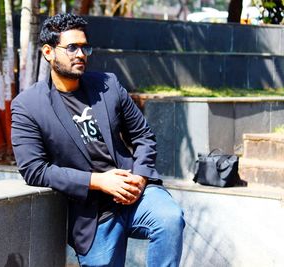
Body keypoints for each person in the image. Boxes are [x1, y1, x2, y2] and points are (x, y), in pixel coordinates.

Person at [11, 13, 185, 267]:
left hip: (135, 194)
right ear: (48, 52)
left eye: (84, 47)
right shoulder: (28, 106)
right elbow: (34, 170)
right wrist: (99, 181)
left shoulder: (108, 85)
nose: (81, 54)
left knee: (170, 218)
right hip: (92, 213)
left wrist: (140, 177)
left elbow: (143, 135)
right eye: (71, 47)